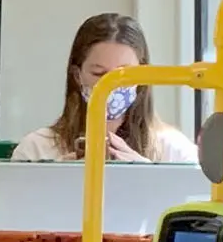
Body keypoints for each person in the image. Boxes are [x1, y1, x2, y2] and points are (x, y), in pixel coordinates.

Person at [11, 12, 198, 163]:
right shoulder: (35, 149)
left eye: (124, 74)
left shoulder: (176, 151)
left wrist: (146, 177)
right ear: (77, 76)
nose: (111, 85)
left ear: (142, 75)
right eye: (99, 74)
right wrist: (55, 181)